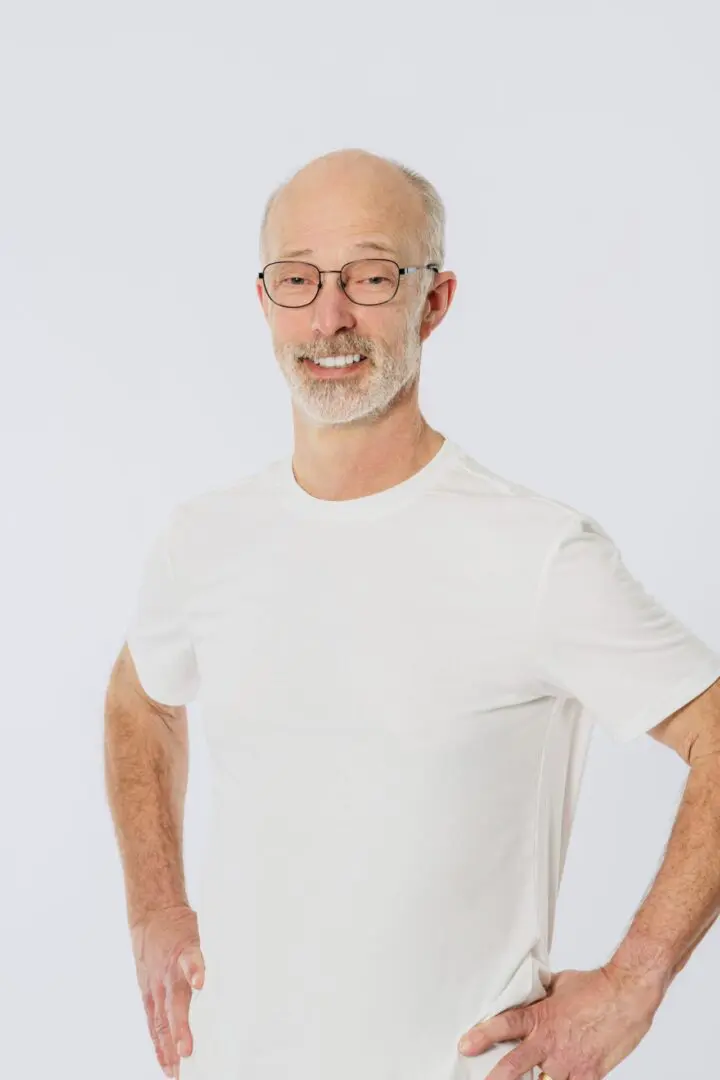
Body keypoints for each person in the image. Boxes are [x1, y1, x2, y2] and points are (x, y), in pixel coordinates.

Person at [104, 148, 720, 1080]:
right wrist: (155, 906)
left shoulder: (538, 554)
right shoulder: (205, 541)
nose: (331, 316)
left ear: (435, 301)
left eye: (372, 275)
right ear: (265, 299)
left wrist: (635, 985)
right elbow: (140, 699)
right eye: (299, 279)